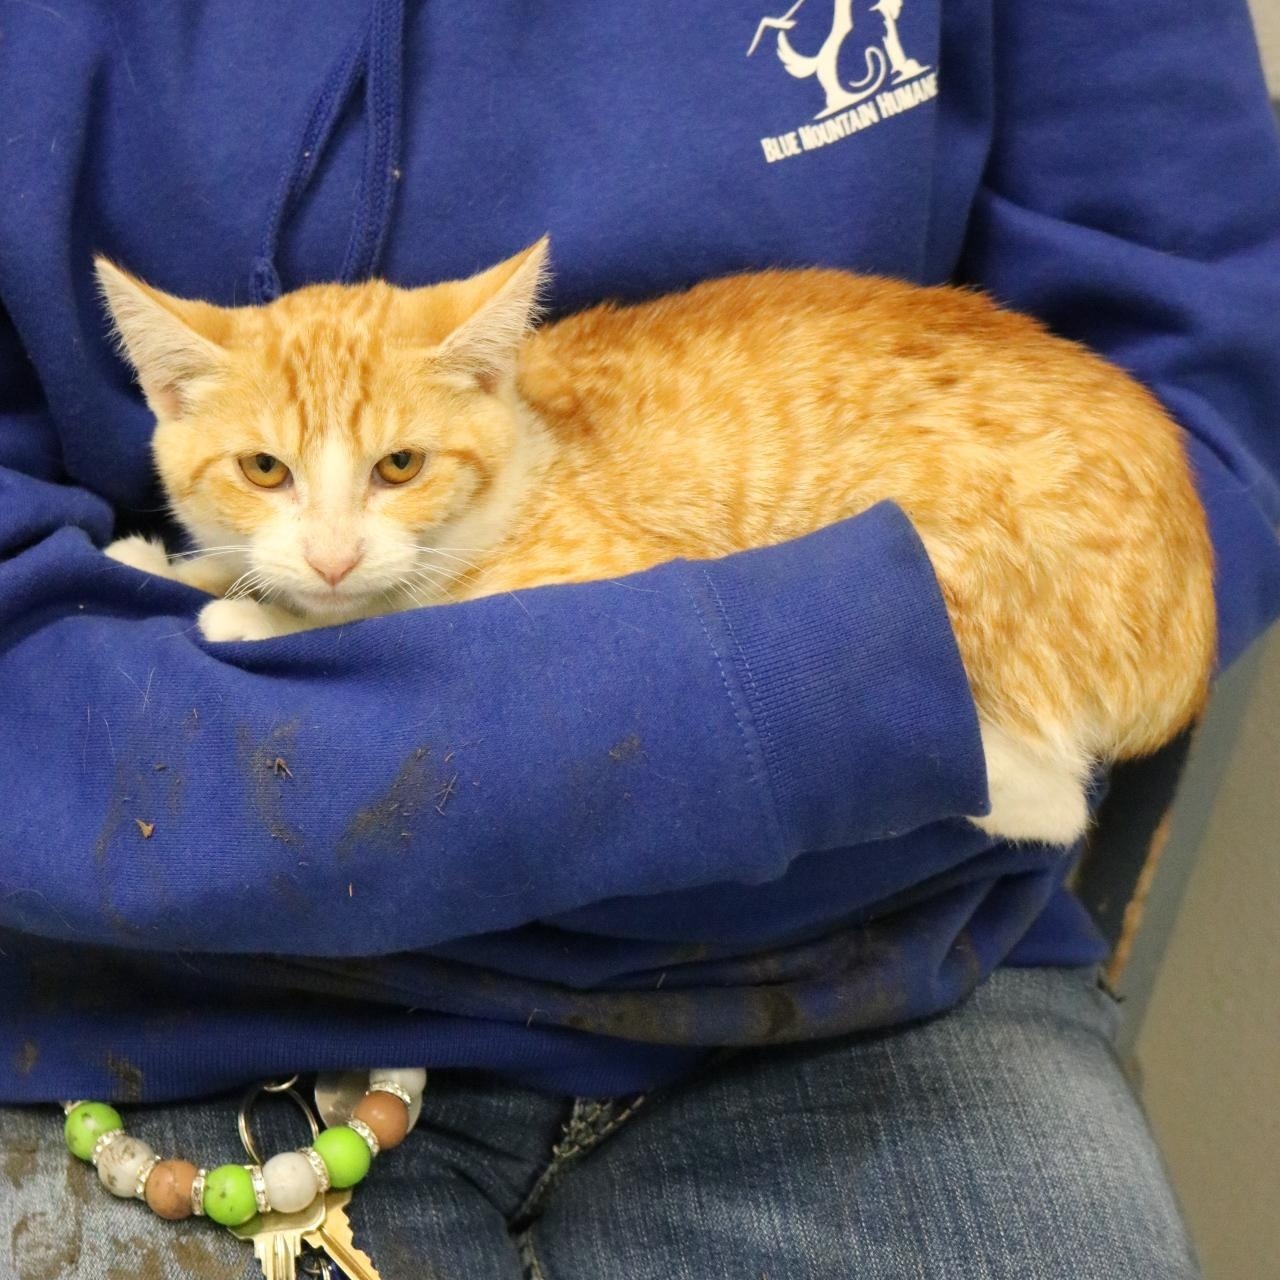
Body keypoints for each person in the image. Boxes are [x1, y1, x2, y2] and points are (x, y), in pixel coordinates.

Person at [0, 1, 1277, 1275]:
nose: (331, 549)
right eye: (268, 475)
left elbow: (1199, 363)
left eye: (394, 466)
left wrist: (842, 696)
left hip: (873, 953)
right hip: (190, 990)